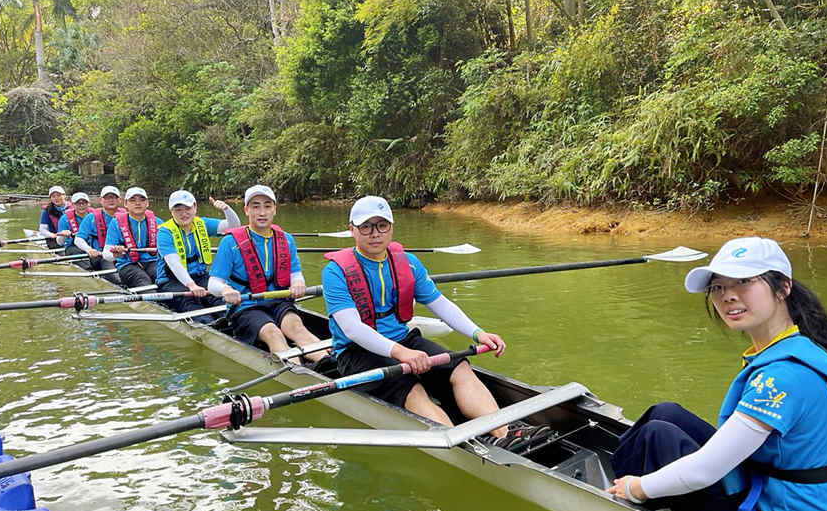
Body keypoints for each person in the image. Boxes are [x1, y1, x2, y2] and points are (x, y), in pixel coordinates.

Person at [607, 237, 827, 511]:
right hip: (801, 508)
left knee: (656, 436)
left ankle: (618, 494)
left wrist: (637, 488)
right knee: (666, 413)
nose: (727, 295)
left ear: (783, 287)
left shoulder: (781, 378)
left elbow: (702, 471)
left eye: (744, 281)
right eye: (718, 287)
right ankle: (626, 481)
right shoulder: (791, 348)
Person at [321, 195, 544, 448]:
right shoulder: (335, 272)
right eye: (366, 226)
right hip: (356, 352)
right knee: (410, 387)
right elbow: (352, 328)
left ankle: (505, 433)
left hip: (402, 340)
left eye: (381, 225)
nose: (375, 233)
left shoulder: (408, 263)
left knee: (459, 367)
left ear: (391, 228)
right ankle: (465, 447)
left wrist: (478, 333)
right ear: (352, 230)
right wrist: (401, 353)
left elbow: (441, 304)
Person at [208, 185, 326, 361]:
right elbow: (213, 283)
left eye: (267, 206)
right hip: (246, 306)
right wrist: (225, 291)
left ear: (275, 209)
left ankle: (329, 363)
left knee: (297, 327)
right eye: (256, 206)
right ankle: (298, 373)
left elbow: (295, 273)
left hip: (279, 301)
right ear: (246, 210)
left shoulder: (286, 239)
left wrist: (298, 283)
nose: (262, 212)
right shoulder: (229, 242)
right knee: (273, 333)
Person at [156, 190, 240, 324]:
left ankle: (233, 322)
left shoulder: (202, 223)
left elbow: (234, 227)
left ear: (195, 207)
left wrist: (227, 209)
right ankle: (208, 326)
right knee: (190, 304)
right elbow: (174, 263)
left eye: (188, 208)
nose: (184, 214)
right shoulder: (164, 232)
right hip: (171, 281)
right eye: (178, 210)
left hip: (200, 276)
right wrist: (192, 285)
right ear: (171, 211)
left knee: (221, 301)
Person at [103, 187, 163, 288]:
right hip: (127, 264)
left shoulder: (159, 223)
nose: (138, 203)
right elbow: (106, 254)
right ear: (126, 204)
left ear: (147, 203)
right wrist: (115, 255)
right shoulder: (116, 223)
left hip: (152, 262)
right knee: (143, 280)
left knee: (162, 277)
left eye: (142, 200)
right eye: (133, 200)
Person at [74, 185, 124, 285]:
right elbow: (78, 239)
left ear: (119, 200)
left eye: (114, 197)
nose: (111, 200)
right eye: (107, 198)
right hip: (102, 255)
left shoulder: (127, 216)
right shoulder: (91, 217)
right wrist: (89, 249)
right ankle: (120, 285)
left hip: (124, 255)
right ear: (101, 200)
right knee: (116, 279)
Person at [55, 192, 92, 266]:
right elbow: (60, 243)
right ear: (73, 205)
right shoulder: (65, 219)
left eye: (84, 203)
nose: (81, 206)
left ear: (89, 204)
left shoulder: (96, 216)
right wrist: (63, 235)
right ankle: (90, 271)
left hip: (93, 246)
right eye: (78, 203)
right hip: (74, 248)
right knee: (74, 251)